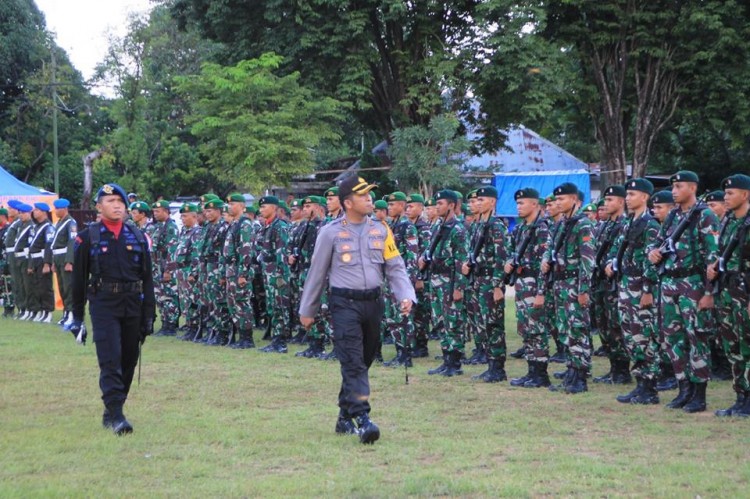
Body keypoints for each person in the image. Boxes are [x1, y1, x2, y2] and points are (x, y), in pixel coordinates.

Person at [299, 175, 415, 444]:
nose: (369, 199)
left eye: (370, 194)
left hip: (373, 303)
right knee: (352, 361)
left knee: (362, 361)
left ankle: (343, 416)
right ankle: (363, 419)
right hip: (344, 304)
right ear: (348, 202)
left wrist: (406, 295)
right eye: (363, 196)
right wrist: (308, 309)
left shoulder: (381, 230)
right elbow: (317, 273)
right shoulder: (330, 232)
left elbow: (395, 266)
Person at [70, 183, 156, 435]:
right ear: (99, 207)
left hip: (133, 304)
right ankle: (118, 415)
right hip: (104, 303)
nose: (117, 205)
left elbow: (148, 279)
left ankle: (112, 410)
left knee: (128, 359)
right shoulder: (88, 237)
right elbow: (78, 280)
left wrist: (149, 314)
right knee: (110, 360)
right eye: (110, 201)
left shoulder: (138, 236)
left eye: (120, 200)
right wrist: (77, 318)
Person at [648, 170, 719, 413]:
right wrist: (653, 253)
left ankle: (699, 393)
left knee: (696, 337)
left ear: (692, 188)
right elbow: (657, 242)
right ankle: (683, 388)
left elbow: (713, 257)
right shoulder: (672, 216)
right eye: (673, 187)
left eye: (679, 187)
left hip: (693, 283)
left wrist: (709, 293)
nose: (674, 191)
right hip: (669, 283)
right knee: (672, 338)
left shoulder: (705, 215)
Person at [606, 178, 662, 405]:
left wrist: (648, 289)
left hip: (641, 287)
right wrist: (611, 262)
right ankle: (640, 384)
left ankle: (650, 387)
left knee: (645, 337)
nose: (627, 199)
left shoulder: (650, 225)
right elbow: (618, 248)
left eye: (632, 195)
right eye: (627, 195)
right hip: (626, 285)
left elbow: (652, 260)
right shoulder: (629, 222)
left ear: (645, 197)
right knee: (630, 336)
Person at [542, 183, 596, 394]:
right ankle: (572, 371)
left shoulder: (583, 224)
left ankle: (580, 377)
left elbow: (588, 260)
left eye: (562, 199)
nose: (557, 203)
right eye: (556, 200)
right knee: (567, 330)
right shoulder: (562, 224)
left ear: (574, 200)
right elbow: (550, 249)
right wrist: (547, 261)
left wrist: (583, 290)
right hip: (561, 284)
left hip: (575, 285)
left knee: (578, 330)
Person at [709, 174, 750, 417]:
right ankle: (741, 396)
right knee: (732, 345)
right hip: (727, 290)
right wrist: (713, 266)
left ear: (745, 195)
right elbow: (724, 254)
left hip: (745, 292)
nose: (726, 197)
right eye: (724, 193)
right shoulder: (728, 222)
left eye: (730, 193)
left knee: (748, 344)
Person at [462, 186, 510, 383]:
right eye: (477, 200)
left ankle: (498, 368)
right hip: (478, 281)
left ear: (492, 202)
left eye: (482, 200)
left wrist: (498, 286)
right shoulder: (477, 225)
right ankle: (490, 364)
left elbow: (502, 258)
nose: (478, 203)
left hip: (491, 282)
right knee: (482, 325)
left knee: (493, 325)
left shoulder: (496, 226)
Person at [506, 188, 552, 388]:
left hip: (535, 284)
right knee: (525, 328)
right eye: (517, 203)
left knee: (537, 329)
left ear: (535, 204)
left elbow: (545, 264)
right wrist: (509, 263)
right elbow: (512, 252)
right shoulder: (520, 229)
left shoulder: (542, 228)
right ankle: (531, 370)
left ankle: (540, 373)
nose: (518, 207)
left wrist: (541, 292)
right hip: (522, 283)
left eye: (522, 203)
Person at [421, 190, 469, 377]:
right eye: (436, 203)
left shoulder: (458, 229)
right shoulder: (437, 226)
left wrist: (458, 287)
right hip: (436, 280)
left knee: (453, 322)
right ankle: (446, 359)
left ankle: (455, 363)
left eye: (440, 203)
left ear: (451, 205)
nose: (437, 206)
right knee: (440, 320)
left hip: (450, 282)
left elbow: (462, 261)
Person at [150, 200, 180, 336]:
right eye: (154, 211)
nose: (155, 214)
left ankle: (171, 325)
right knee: (160, 297)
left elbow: (172, 251)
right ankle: (164, 323)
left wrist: (168, 270)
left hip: (166, 266)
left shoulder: (171, 227)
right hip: (157, 265)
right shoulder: (159, 226)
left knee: (169, 296)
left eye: (158, 211)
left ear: (166, 212)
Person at [25, 202, 54, 323]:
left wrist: (47, 263)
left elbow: (49, 246)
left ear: (43, 212)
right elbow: (31, 247)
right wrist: (31, 264)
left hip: (43, 259)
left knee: (45, 286)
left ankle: (48, 311)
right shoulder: (36, 227)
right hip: (35, 259)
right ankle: (42, 310)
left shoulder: (48, 227)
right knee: (37, 286)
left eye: (37, 210)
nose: (34, 212)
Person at [50, 199, 77, 327]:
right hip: (58, 257)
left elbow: (72, 242)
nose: (56, 211)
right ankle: (66, 313)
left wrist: (69, 261)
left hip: (65, 257)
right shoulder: (59, 223)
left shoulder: (70, 223)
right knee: (61, 287)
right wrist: (54, 262)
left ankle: (72, 313)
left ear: (64, 209)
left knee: (68, 287)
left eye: (57, 209)